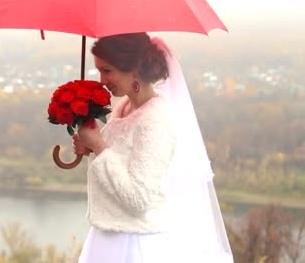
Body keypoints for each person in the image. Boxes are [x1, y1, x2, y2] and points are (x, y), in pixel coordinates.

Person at [73, 32, 233, 262]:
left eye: (107, 71)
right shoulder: (125, 106)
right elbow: (120, 159)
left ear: (134, 69)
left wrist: (98, 145)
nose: (101, 80)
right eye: (99, 71)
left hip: (131, 245)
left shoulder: (155, 120)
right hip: (107, 238)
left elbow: (139, 199)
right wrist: (90, 147)